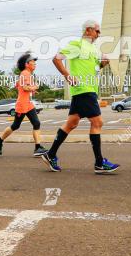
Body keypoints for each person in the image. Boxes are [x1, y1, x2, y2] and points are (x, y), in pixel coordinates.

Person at [40, 20, 119, 173]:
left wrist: (103, 63)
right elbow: (57, 58)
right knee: (97, 122)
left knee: (71, 124)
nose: (99, 34)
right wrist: (67, 75)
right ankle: (99, 163)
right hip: (84, 89)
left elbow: (95, 68)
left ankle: (50, 154)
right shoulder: (77, 44)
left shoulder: (93, 49)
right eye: (97, 31)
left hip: (86, 90)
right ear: (88, 30)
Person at [0, 53, 47, 157]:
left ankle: (38, 147)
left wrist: (32, 90)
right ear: (27, 64)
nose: (35, 63)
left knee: (36, 123)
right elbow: (25, 88)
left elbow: (21, 86)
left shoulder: (26, 74)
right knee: (15, 125)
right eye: (33, 62)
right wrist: (34, 87)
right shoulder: (25, 74)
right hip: (22, 105)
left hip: (28, 104)